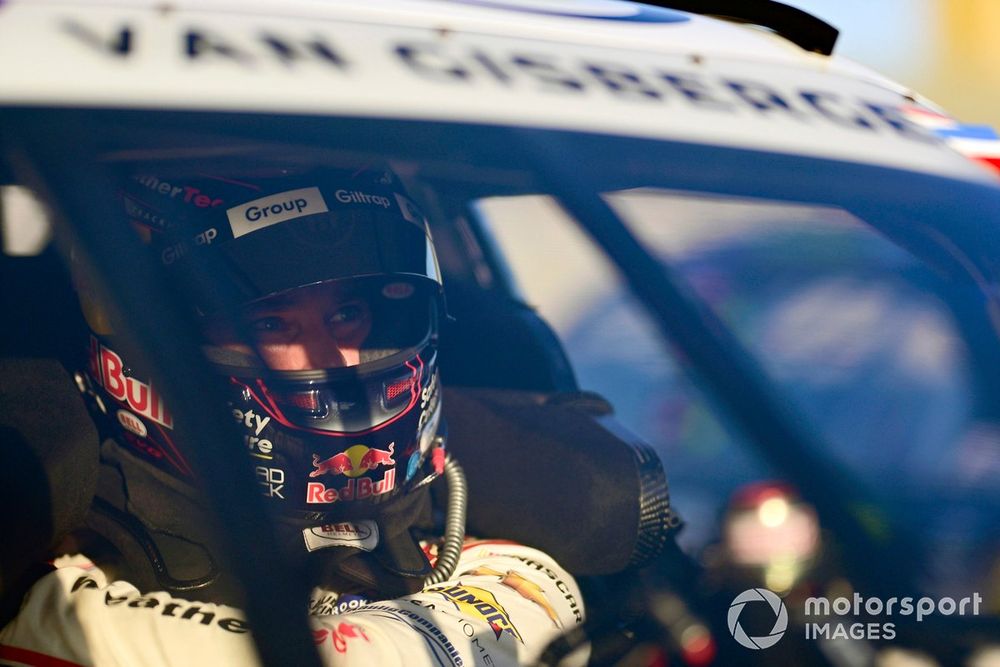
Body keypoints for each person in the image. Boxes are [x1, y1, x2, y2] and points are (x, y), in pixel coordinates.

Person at [0, 165, 585, 666]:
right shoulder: (51, 572)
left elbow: (542, 597)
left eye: (348, 312)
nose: (339, 362)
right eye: (270, 325)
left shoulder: (453, 525)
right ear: (144, 342)